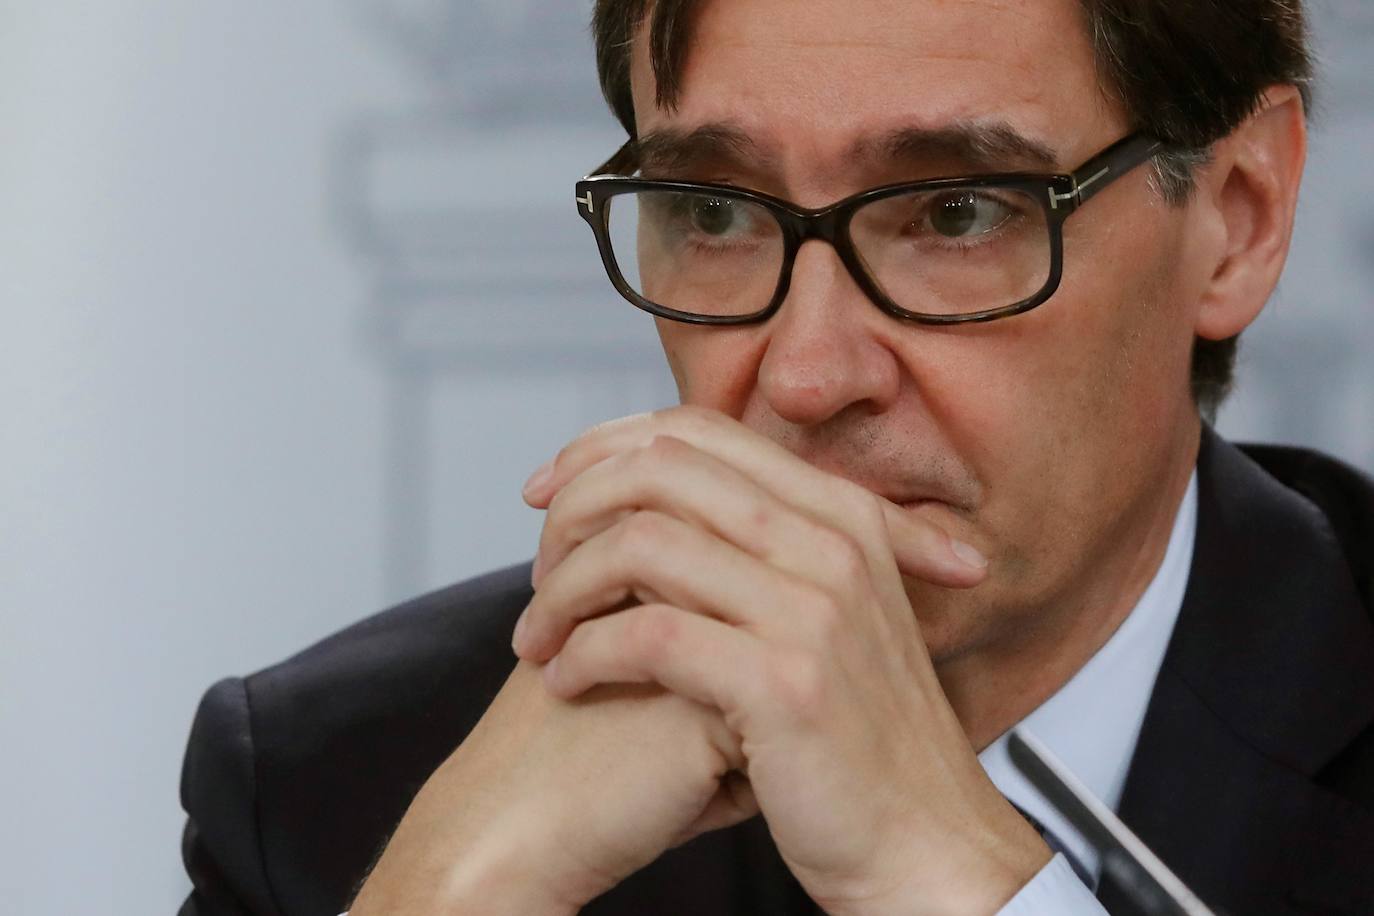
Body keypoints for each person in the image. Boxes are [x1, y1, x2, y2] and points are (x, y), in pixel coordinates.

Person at [177, 0, 1374, 913]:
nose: (804, 375)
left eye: (956, 212)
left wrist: (956, 871)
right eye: (713, 212)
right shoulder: (333, 789)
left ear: (1240, 217)